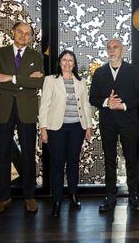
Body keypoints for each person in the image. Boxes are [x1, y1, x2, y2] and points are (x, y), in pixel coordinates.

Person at [0, 22, 44, 215]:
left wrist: (10, 78)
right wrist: (24, 79)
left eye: (27, 34)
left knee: (28, 154)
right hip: (4, 110)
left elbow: (38, 82)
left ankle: (29, 196)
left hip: (26, 111)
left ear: (30, 38)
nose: (23, 36)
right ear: (13, 32)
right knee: (3, 155)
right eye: (20, 32)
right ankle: (4, 198)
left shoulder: (36, 56)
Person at [89, 38, 139, 212]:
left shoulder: (133, 71)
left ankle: (134, 196)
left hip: (129, 123)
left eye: (115, 47)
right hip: (108, 124)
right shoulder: (99, 73)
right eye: (109, 48)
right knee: (109, 160)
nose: (112, 51)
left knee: (131, 160)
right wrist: (107, 102)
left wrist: (124, 105)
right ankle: (110, 196)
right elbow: (93, 98)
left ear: (123, 50)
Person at [39, 50, 93, 217]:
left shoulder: (80, 81)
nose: (67, 63)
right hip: (56, 128)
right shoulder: (50, 80)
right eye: (64, 60)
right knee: (57, 164)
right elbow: (44, 105)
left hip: (77, 128)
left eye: (71, 60)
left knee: (73, 163)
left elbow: (85, 105)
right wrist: (43, 128)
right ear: (59, 62)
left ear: (74, 64)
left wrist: (89, 126)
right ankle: (57, 200)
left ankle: (73, 196)